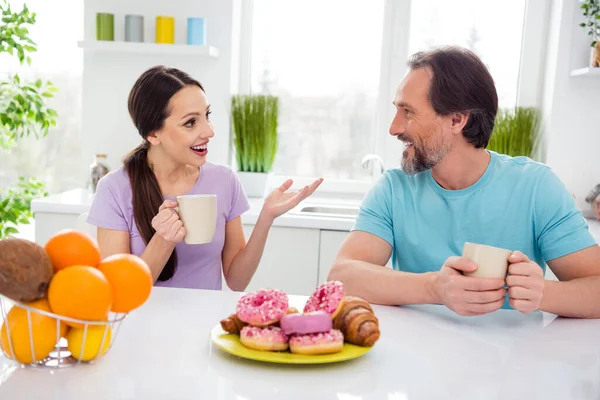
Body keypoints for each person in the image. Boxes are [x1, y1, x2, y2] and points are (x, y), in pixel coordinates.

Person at [329, 46, 600, 318]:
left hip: (512, 357)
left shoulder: (536, 187)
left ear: (456, 120)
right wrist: (435, 288)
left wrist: (543, 293)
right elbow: (341, 277)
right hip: (414, 354)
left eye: (408, 112)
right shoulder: (393, 189)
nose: (394, 128)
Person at [87, 66, 322, 291]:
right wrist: (164, 240)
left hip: (207, 325)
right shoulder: (114, 189)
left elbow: (236, 281)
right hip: (139, 325)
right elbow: (119, 292)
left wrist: (266, 218)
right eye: (191, 122)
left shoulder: (224, 181)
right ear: (153, 133)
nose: (209, 131)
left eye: (206, 115)